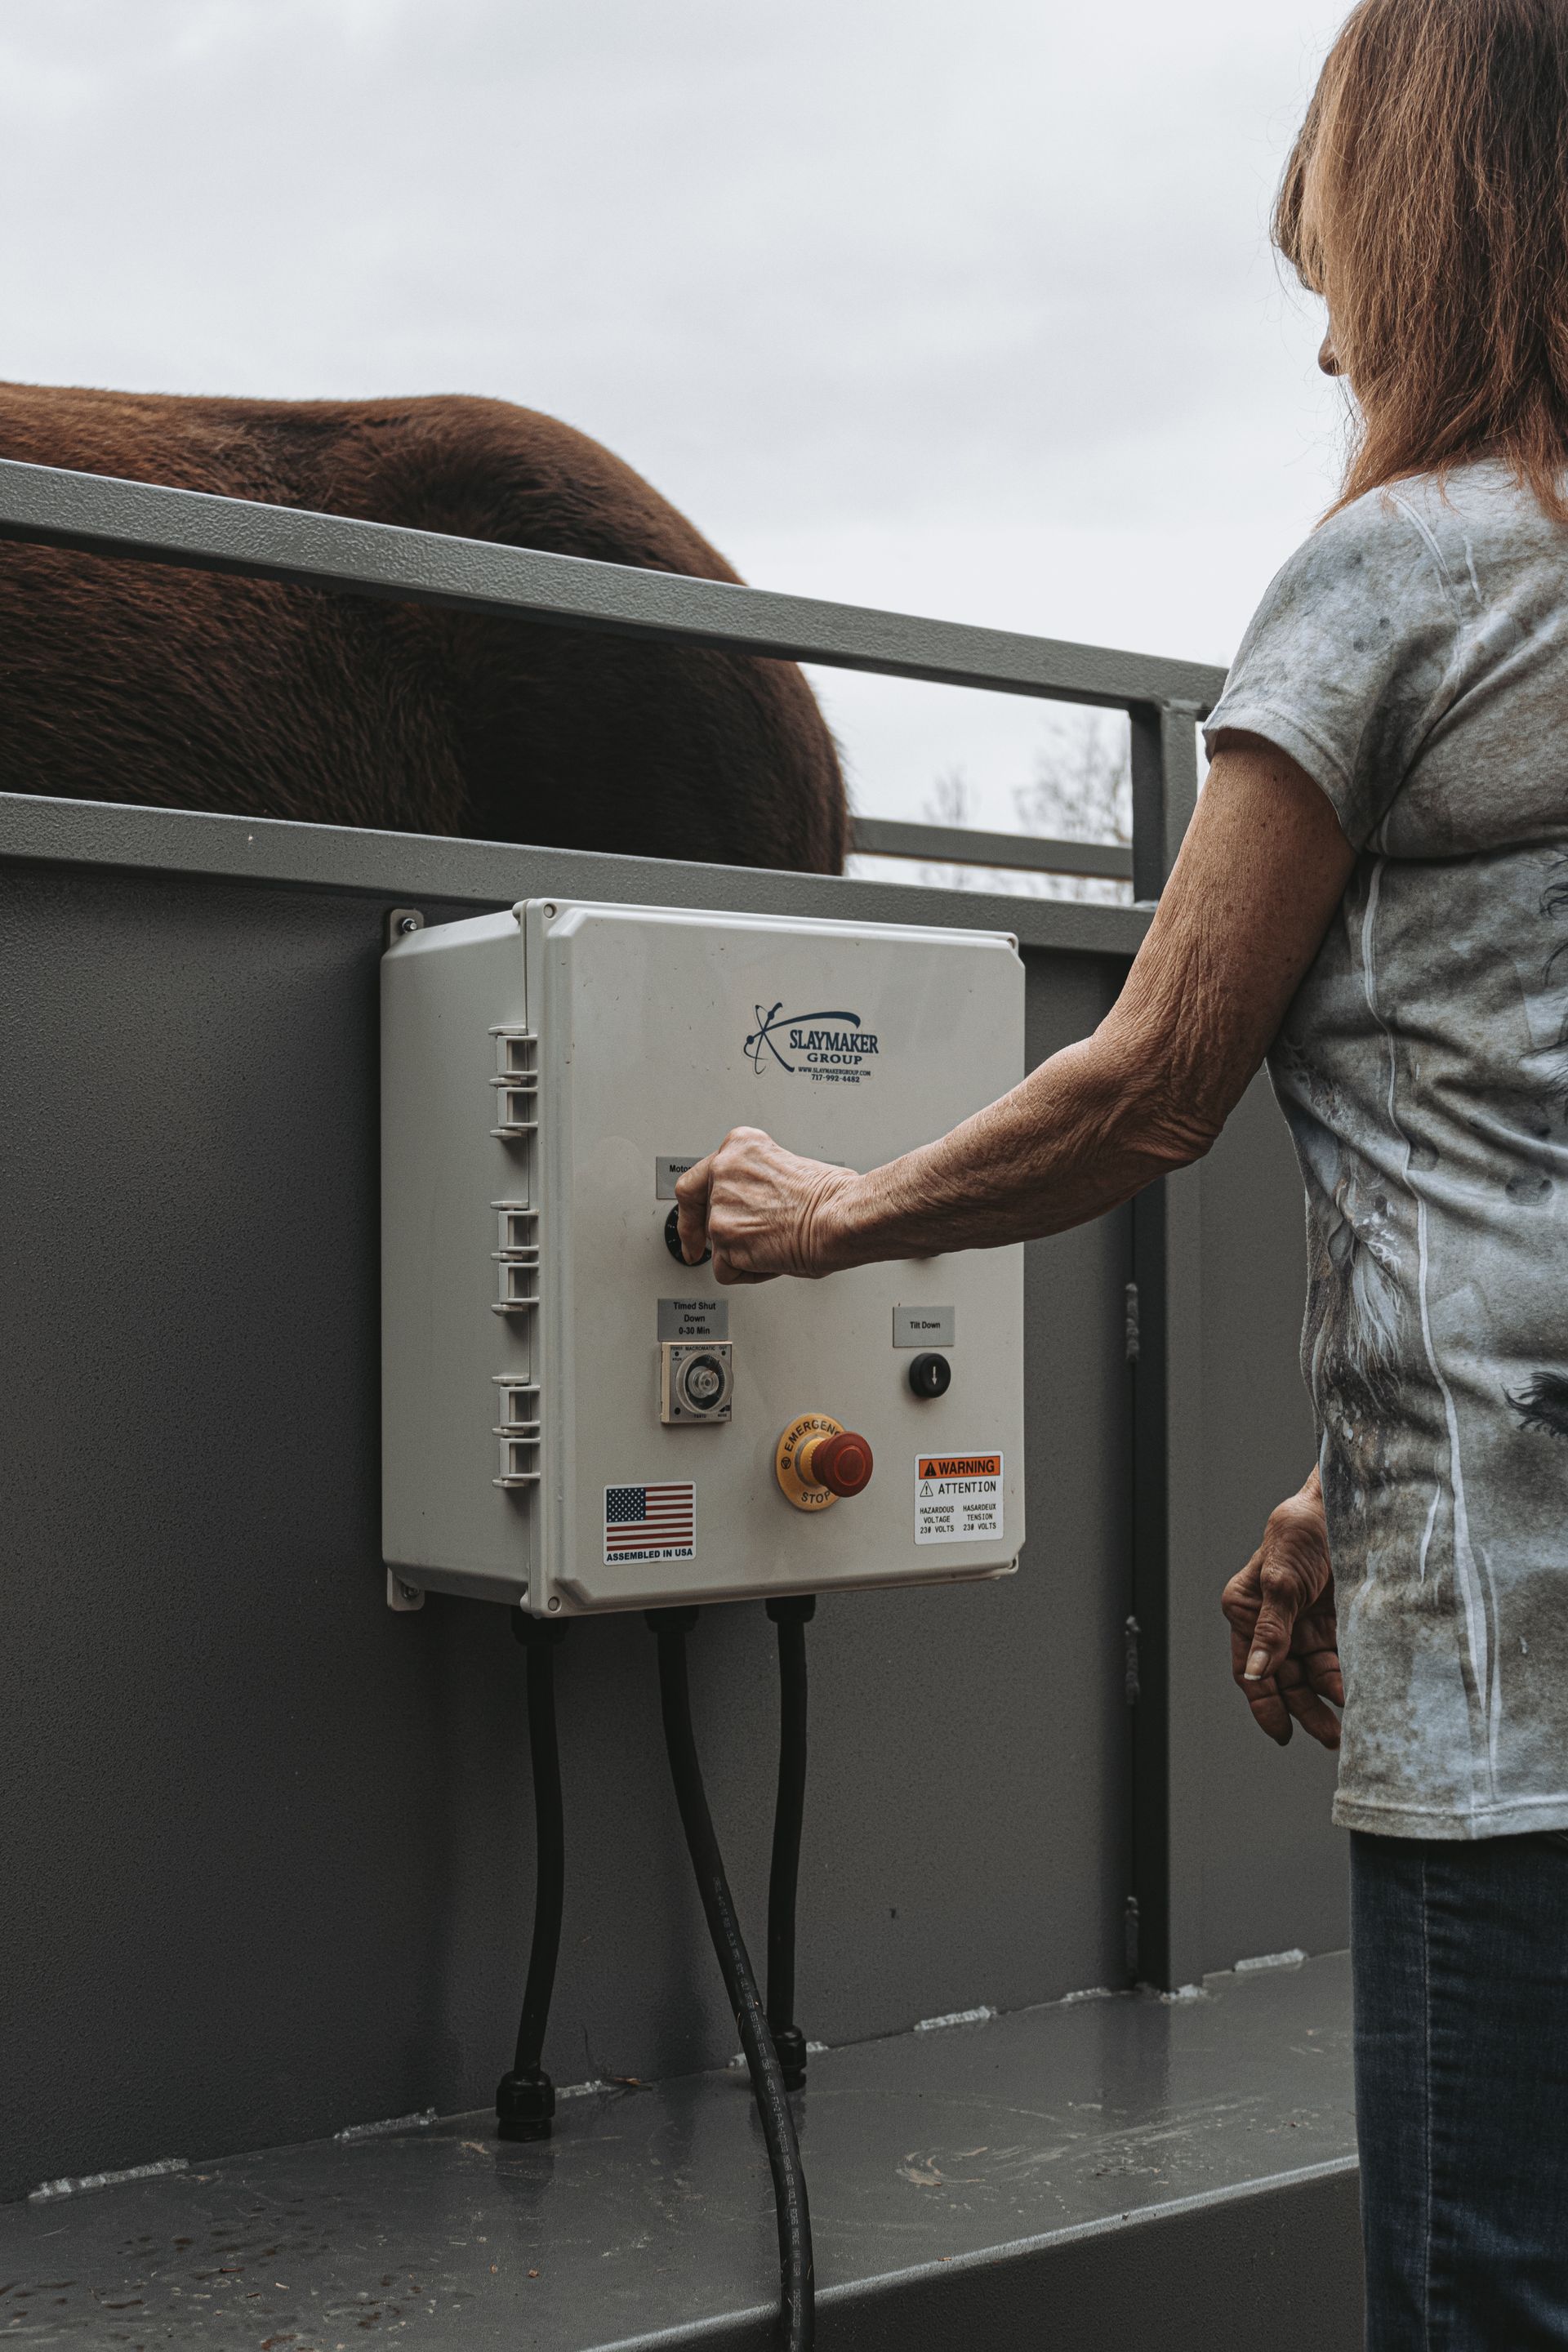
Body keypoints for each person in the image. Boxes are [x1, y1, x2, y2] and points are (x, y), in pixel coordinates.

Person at [675, 2, 1568, 2343]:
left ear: (1435, 218)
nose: (1328, 358)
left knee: (1484, 2297)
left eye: (1336, 293)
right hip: (1482, 1538)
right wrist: (1342, 1477)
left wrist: (823, 1214)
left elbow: (1160, 1075)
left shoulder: (1398, 573)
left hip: (1514, 1713)